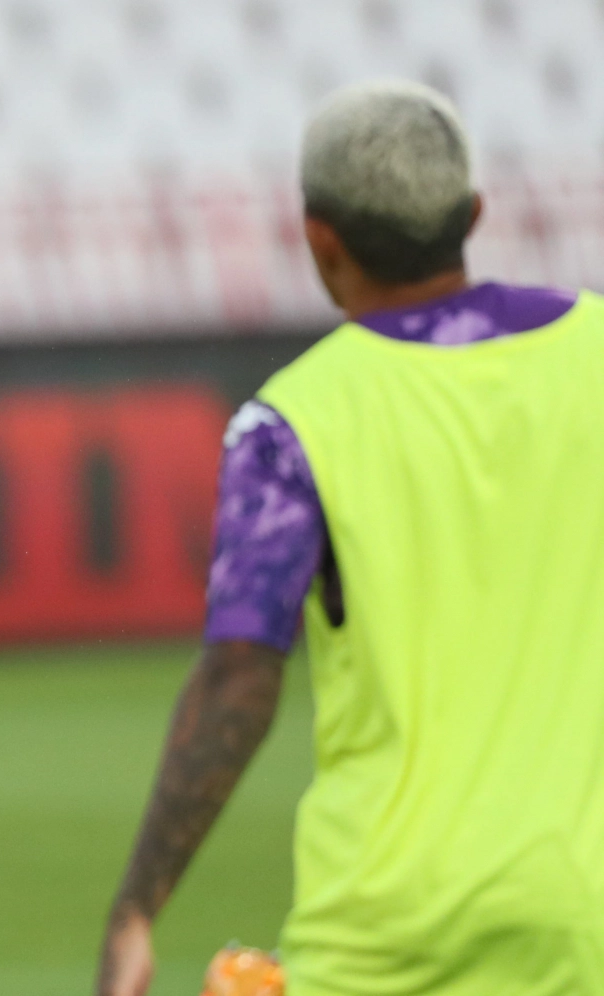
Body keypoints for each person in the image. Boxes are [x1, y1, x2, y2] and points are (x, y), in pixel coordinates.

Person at [97, 80, 604, 996]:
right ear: (474, 215)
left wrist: (136, 908)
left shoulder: (292, 423)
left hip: (387, 929)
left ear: (318, 237)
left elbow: (240, 676)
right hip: (585, 914)